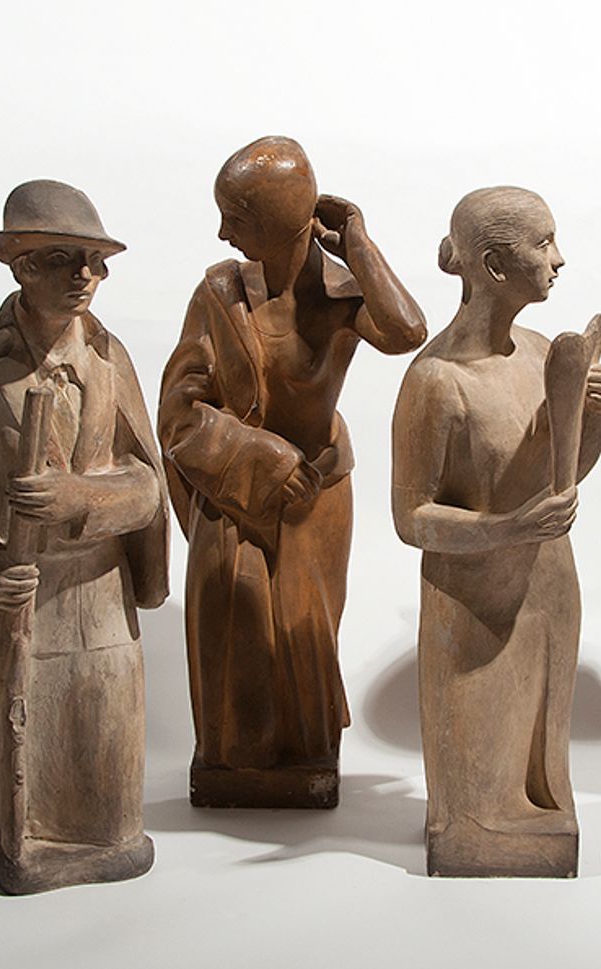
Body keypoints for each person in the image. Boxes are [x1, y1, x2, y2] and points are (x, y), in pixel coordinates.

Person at [0, 180, 169, 892]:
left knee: (107, 748)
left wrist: (81, 498)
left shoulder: (110, 360)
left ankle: (106, 840)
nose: (85, 275)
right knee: (22, 759)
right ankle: (19, 840)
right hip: (15, 601)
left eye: (95, 261)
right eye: (62, 258)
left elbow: (148, 486)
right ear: (20, 265)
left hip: (100, 592)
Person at [158, 136, 426, 807]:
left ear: (278, 219)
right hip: (236, 491)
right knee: (235, 621)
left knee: (305, 634)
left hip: (316, 493)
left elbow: (407, 331)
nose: (223, 233)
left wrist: (358, 244)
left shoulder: (341, 295)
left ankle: (306, 754)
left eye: (236, 217)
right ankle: (235, 759)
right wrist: (262, 456)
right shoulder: (220, 293)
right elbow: (179, 411)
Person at [391, 187, 601, 876]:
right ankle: (473, 827)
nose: (559, 259)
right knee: (481, 782)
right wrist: (505, 528)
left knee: (538, 751)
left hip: (547, 586)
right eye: (543, 244)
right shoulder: (436, 381)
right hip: (474, 602)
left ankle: (533, 813)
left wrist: (592, 416)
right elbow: (412, 518)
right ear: (492, 264)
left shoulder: (543, 354)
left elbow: (562, 479)